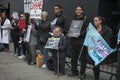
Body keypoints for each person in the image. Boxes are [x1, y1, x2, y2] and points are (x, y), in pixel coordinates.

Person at [68, 5, 89, 77]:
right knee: (73, 59)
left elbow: (87, 31)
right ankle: (74, 72)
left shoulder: (85, 19)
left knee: (82, 59)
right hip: (73, 41)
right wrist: (69, 33)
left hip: (81, 42)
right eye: (77, 9)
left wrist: (79, 34)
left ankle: (82, 74)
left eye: (80, 9)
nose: (78, 11)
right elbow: (70, 28)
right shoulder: (73, 18)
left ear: (82, 11)